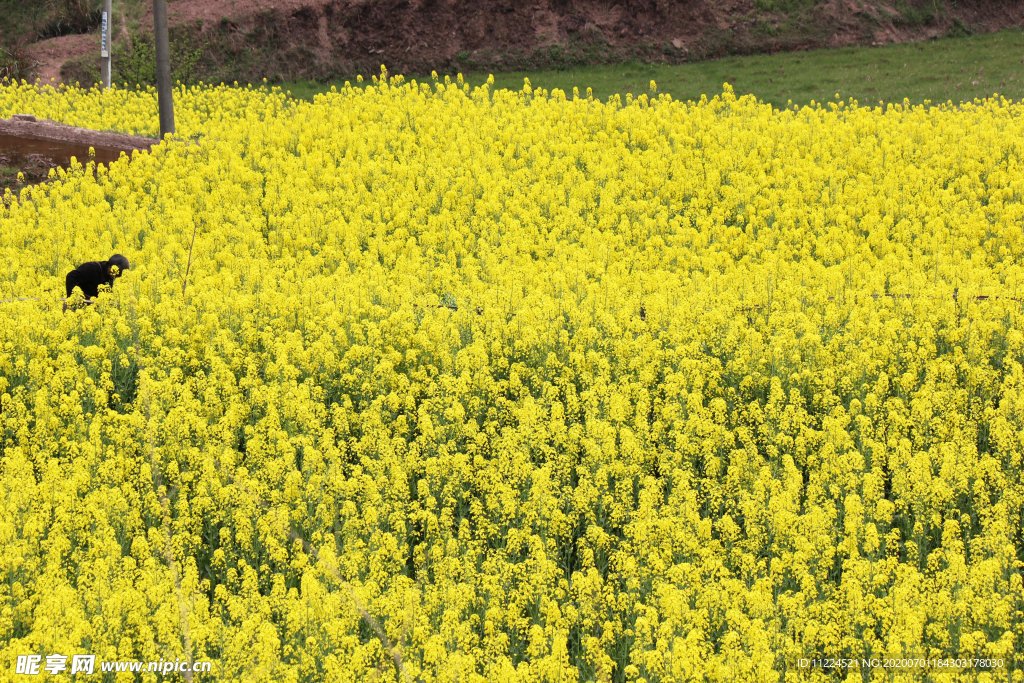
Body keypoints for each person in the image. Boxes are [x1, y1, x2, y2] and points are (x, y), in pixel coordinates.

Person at [64, 254, 130, 311]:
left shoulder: (110, 276)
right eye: (116, 273)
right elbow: (71, 277)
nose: (115, 276)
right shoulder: (92, 268)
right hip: (75, 307)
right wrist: (73, 297)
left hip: (89, 309)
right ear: (111, 266)